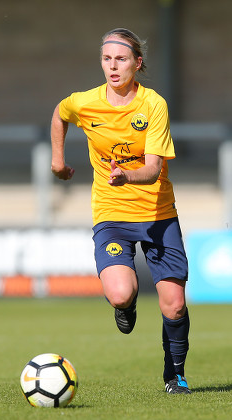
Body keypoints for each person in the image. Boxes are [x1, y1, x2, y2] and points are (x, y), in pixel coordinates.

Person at [50, 28, 190, 394]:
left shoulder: (153, 105)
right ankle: (125, 308)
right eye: (107, 58)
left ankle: (174, 376)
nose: (113, 66)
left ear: (137, 63)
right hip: (112, 216)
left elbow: (154, 168)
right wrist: (59, 161)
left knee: (174, 305)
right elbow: (59, 114)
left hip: (158, 215)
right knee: (120, 294)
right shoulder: (85, 102)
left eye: (121, 59)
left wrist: (126, 174)